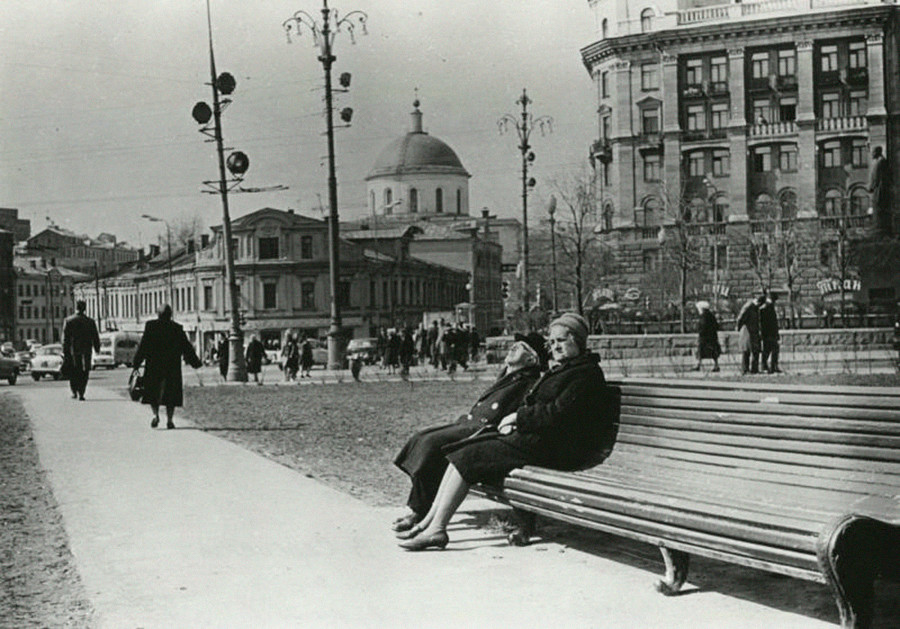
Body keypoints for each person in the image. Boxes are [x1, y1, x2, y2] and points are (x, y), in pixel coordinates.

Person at [397, 312, 609, 551]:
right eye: (552, 342)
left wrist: (518, 418)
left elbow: (558, 413)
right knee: (463, 451)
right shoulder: (567, 368)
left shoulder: (585, 374)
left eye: (561, 341)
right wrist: (519, 420)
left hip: (562, 449)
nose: (555, 347)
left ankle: (437, 529)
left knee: (470, 456)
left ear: (578, 341)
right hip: (543, 441)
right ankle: (429, 523)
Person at [391, 332, 548, 532]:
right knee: (421, 438)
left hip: (483, 431)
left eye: (521, 347)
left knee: (431, 445)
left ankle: (419, 511)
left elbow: (519, 412)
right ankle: (419, 508)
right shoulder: (510, 374)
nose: (513, 347)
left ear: (531, 359)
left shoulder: (529, 381)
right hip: (469, 424)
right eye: (514, 344)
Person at [131, 304, 202, 429]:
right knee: (171, 394)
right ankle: (170, 420)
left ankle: (155, 415)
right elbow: (186, 347)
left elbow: (144, 346)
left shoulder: (151, 326)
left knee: (153, 391)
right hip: (171, 366)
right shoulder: (176, 328)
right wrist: (195, 362)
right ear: (170, 315)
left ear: (158, 314)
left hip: (154, 365)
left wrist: (136, 363)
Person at [61, 299, 101, 401]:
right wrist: (97, 348)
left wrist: (65, 351)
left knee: (74, 372)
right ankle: (82, 392)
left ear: (76, 307)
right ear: (85, 308)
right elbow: (95, 337)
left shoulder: (69, 321)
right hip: (86, 351)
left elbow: (65, 339)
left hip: (72, 351)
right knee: (85, 372)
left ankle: (74, 391)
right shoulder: (90, 322)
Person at [737, 295, 763, 375]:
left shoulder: (755, 307)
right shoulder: (748, 307)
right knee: (747, 350)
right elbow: (740, 318)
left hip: (754, 331)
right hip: (747, 331)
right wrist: (738, 327)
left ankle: (754, 369)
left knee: (755, 351)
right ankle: (745, 369)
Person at [692, 301, 721, 372]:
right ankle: (716, 365)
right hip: (713, 337)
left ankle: (698, 364)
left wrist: (698, 329)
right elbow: (717, 326)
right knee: (713, 351)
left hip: (704, 338)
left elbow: (702, 327)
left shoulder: (703, 316)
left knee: (700, 351)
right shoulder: (711, 316)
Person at [760, 292, 781, 373]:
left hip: (770, 333)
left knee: (770, 350)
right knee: (769, 350)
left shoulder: (768, 307)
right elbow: (766, 323)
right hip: (768, 333)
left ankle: (771, 366)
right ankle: (769, 366)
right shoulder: (765, 308)